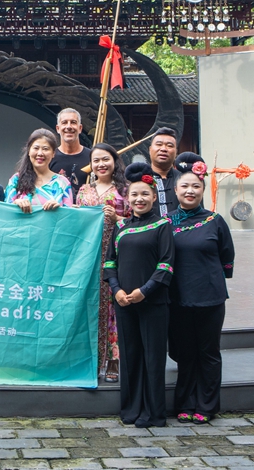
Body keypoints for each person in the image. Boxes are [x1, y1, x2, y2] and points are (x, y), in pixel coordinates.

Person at [103, 162, 174, 428]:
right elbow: (110, 262)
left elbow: (166, 265)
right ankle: (131, 409)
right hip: (124, 302)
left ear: (154, 197)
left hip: (153, 302)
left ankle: (153, 413)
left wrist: (144, 291)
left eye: (145, 194)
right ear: (127, 198)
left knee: (153, 358)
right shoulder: (121, 227)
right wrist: (117, 290)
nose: (139, 199)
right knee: (130, 356)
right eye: (134, 194)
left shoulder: (162, 226)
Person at [169, 152, 235, 425]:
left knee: (208, 352)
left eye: (195, 186)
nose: (190, 190)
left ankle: (207, 405)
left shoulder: (215, 221)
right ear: (176, 190)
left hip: (210, 296)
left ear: (202, 190)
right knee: (185, 353)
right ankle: (185, 403)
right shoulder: (166, 222)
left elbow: (227, 255)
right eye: (184, 186)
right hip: (178, 297)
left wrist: (215, 277)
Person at [75, 143, 129, 383]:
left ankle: (113, 360)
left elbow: (138, 221)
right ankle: (90, 361)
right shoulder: (83, 190)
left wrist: (118, 217)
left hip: (118, 256)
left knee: (112, 309)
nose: (101, 164)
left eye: (105, 159)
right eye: (96, 160)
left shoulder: (125, 190)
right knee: (90, 307)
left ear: (115, 161)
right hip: (87, 257)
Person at [5, 128, 73, 212]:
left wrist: (59, 210)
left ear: (53, 153)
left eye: (45, 149)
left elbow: (69, 215)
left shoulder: (63, 183)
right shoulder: (16, 180)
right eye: (36, 148)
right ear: (29, 151)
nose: (40, 153)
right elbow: (5, 212)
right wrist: (15, 204)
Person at [50, 108, 91, 200]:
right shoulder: (50, 157)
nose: (69, 126)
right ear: (58, 128)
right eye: (64, 122)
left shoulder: (92, 157)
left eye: (73, 122)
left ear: (80, 128)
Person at [148, 127, 181, 217]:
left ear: (176, 152)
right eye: (159, 144)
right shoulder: (138, 178)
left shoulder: (183, 179)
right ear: (150, 150)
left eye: (169, 146)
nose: (163, 149)